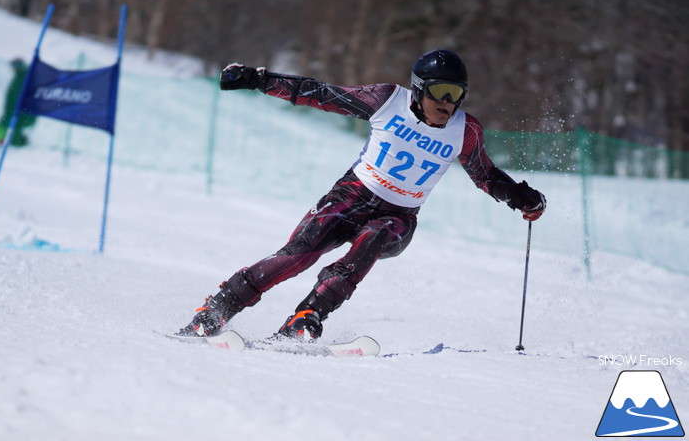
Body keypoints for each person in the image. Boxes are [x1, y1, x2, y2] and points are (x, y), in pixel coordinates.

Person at [179, 49, 546, 341]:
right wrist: (260, 79)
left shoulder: (465, 131)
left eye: (456, 94)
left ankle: (307, 317)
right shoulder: (387, 100)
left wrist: (520, 197)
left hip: (399, 215)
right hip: (351, 195)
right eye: (439, 91)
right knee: (296, 257)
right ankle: (215, 311)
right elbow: (322, 95)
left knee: (375, 236)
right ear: (419, 88)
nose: (447, 102)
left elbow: (484, 173)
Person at [0, 58, 37, 147]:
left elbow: (19, 94)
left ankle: (10, 142)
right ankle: (5, 141)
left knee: (7, 126)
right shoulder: (20, 76)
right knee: (4, 126)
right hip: (14, 110)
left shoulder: (23, 77)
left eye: (16, 66)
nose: (14, 68)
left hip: (20, 111)